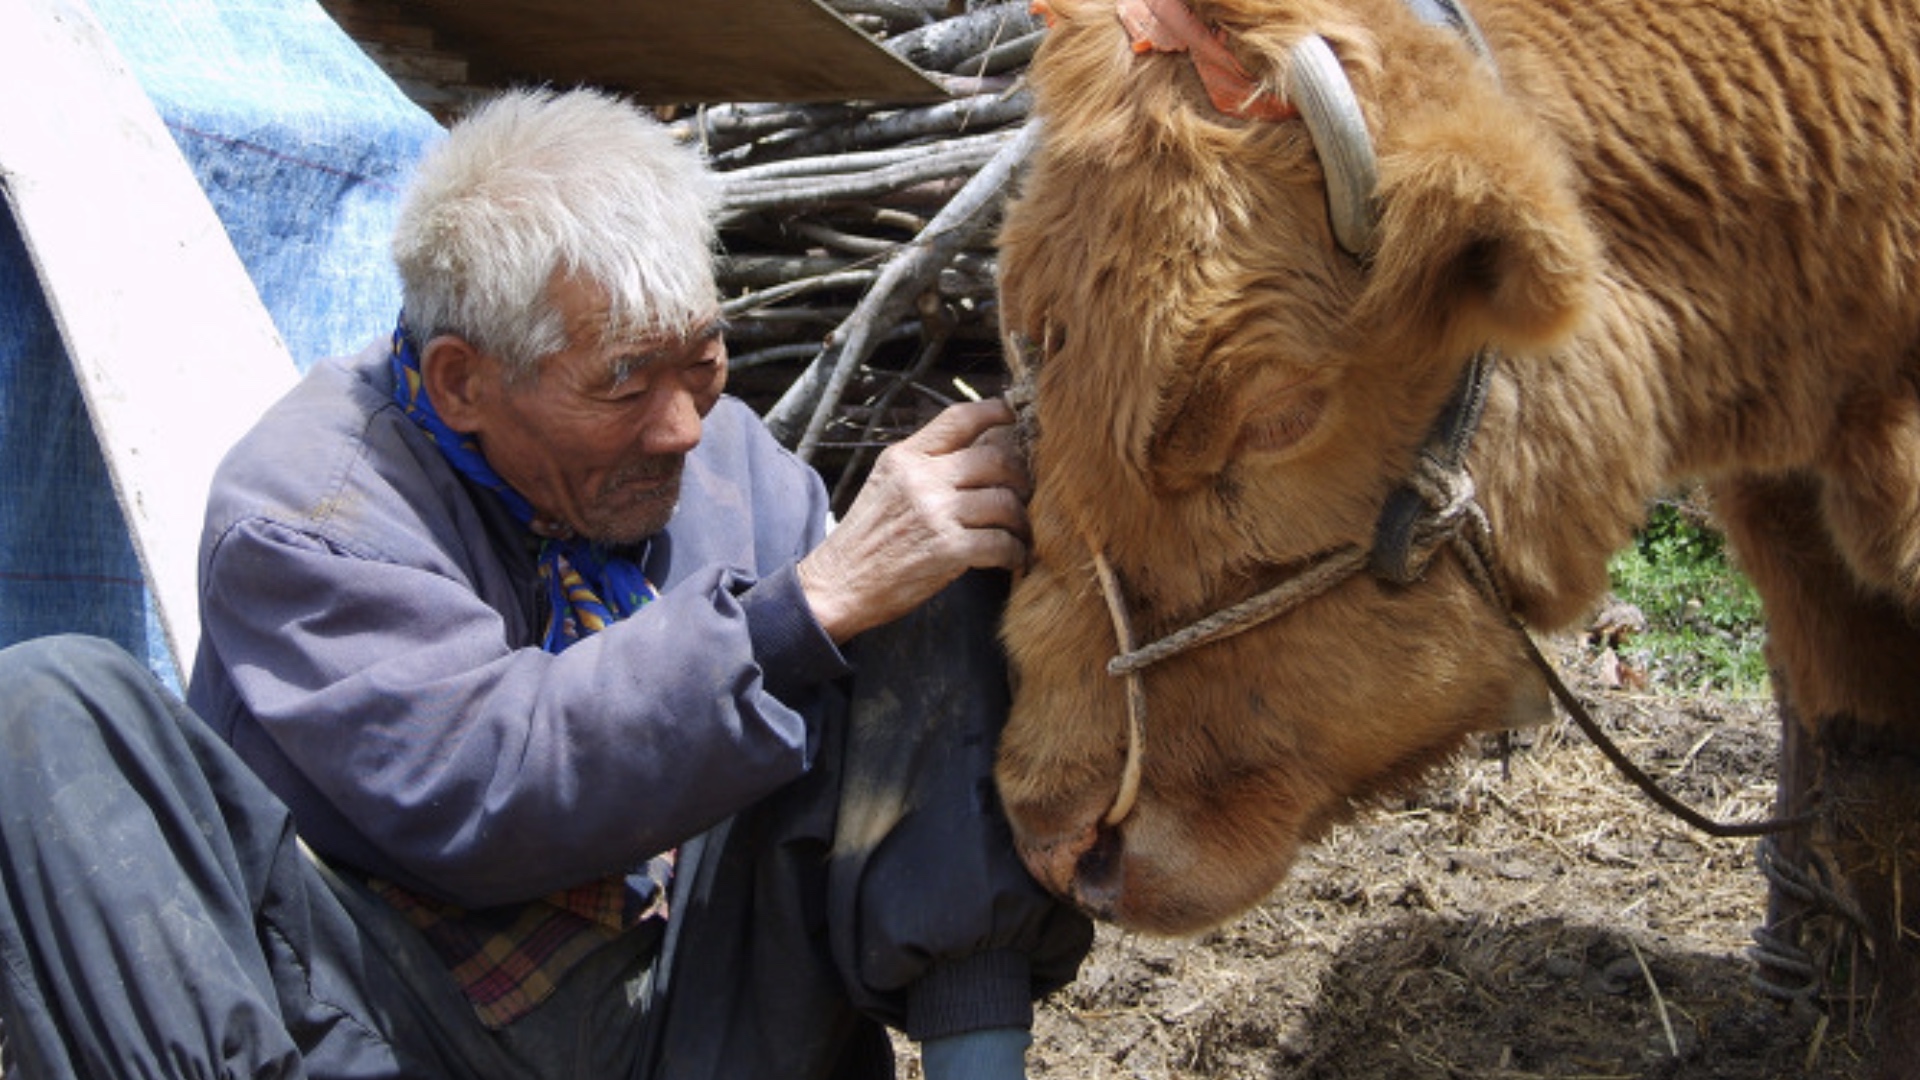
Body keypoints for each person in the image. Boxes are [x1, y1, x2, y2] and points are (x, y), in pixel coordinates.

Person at [0, 87, 1090, 1079]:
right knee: (47, 707)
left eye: (702, 361)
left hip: (700, 1023)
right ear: (463, 380)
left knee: (925, 569)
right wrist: (795, 614)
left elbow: (884, 713)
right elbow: (491, 789)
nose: (681, 426)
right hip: (398, 1026)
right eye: (622, 381)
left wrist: (881, 578)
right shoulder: (312, 513)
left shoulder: (730, 464)